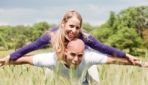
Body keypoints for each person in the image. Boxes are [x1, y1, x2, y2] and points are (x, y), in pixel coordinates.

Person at [0, 10, 139, 66]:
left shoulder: (85, 37)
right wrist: (10, 57)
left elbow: (103, 48)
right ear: (63, 23)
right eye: (71, 26)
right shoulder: (52, 35)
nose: (74, 31)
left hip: (82, 61)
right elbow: (31, 47)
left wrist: (126, 55)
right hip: (61, 62)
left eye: (77, 27)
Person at [2, 39, 148, 83]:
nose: (76, 59)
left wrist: (142, 64)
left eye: (80, 55)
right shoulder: (50, 59)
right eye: (73, 54)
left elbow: (115, 60)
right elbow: (26, 59)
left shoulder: (89, 56)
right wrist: (5, 61)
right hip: (59, 76)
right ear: (65, 51)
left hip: (84, 77)